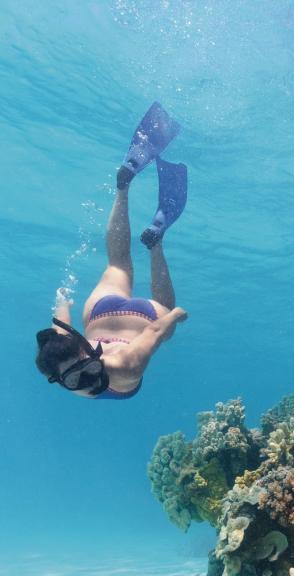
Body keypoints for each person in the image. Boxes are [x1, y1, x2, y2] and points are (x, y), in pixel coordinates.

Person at [36, 102, 189, 399]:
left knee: (165, 314)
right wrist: (63, 302)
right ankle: (123, 187)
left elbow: (155, 332)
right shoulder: (62, 354)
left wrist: (175, 317)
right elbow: (63, 329)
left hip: (141, 320)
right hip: (99, 315)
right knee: (118, 264)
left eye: (80, 376)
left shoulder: (123, 368)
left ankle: (155, 243)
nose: (88, 381)